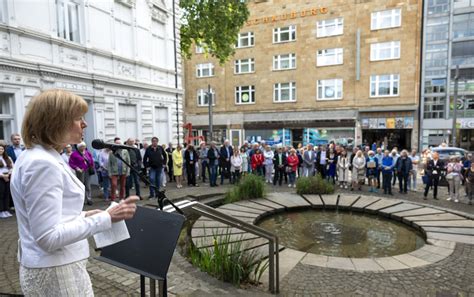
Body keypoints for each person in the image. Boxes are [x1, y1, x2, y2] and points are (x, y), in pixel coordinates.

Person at [10, 89, 137, 296]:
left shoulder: (41, 155)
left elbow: (52, 216)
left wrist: (86, 214)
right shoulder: (42, 163)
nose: (84, 124)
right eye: (78, 118)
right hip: (57, 272)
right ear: (56, 121)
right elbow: (47, 237)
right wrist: (105, 218)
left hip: (55, 267)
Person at [0, 143, 13, 218]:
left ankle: (6, 210)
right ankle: (1, 211)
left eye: (2, 149)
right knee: (1, 195)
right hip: (1, 178)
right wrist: (2, 176)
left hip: (7, 177)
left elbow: (12, 167)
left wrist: (8, 174)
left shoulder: (8, 158)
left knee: (7, 194)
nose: (0, 150)